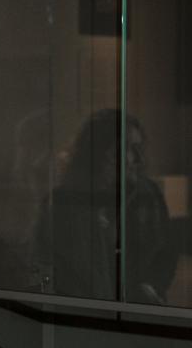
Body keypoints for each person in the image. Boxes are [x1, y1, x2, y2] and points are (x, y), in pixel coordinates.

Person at [34, 109, 178, 303]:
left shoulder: (148, 194)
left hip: (137, 309)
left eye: (139, 148)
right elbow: (46, 263)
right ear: (101, 152)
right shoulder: (63, 201)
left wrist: (150, 287)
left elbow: (166, 251)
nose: (138, 159)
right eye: (128, 148)